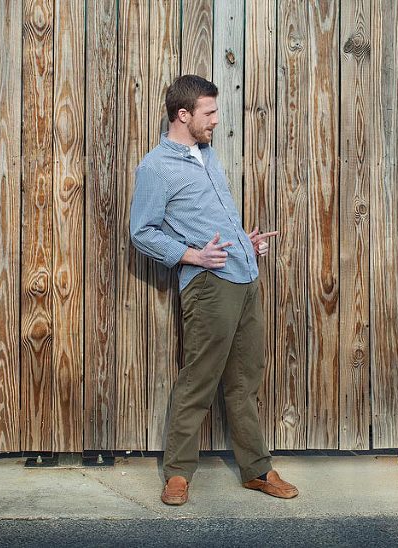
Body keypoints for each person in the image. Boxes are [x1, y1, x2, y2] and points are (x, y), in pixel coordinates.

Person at [130, 74, 298, 506]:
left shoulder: (209, 155)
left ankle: (257, 469)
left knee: (244, 382)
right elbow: (141, 232)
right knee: (199, 381)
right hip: (208, 286)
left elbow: (214, 218)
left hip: (245, 277)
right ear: (183, 115)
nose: (216, 121)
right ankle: (178, 474)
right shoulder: (155, 167)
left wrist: (247, 241)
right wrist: (191, 255)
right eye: (210, 112)